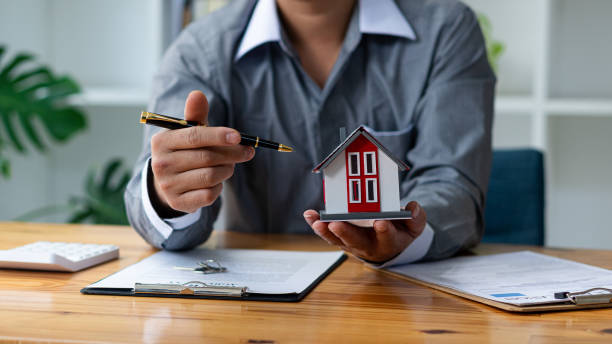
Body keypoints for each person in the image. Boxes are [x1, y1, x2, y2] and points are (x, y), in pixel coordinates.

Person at [125, 0, 495, 266]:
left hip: (397, 298)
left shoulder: (446, 30)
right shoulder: (200, 50)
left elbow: (452, 183)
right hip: (258, 305)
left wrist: (405, 237)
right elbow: (158, 179)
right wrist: (168, 195)